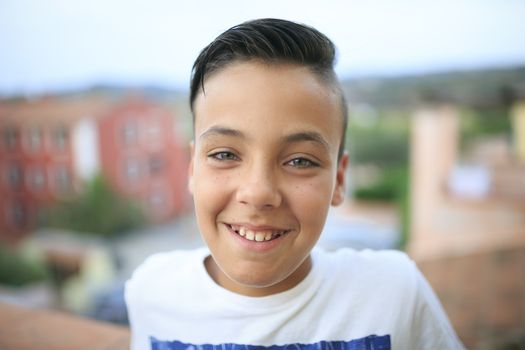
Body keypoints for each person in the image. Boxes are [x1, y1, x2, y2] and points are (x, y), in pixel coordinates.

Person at [125, 18, 464, 350]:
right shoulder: (153, 291)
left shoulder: (394, 293)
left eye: (300, 161)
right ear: (192, 169)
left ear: (339, 180)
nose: (258, 193)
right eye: (225, 154)